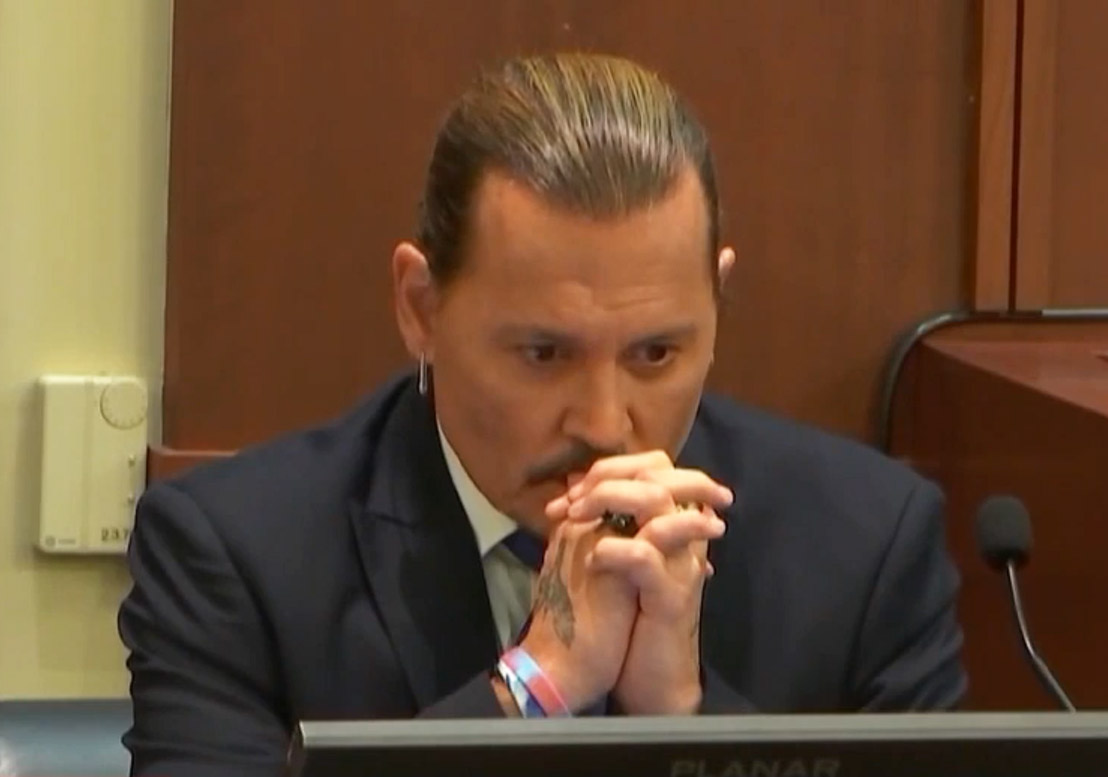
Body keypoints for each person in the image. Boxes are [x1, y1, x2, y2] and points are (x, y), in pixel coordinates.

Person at [118, 52, 966, 777]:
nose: (603, 424)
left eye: (655, 354)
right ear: (420, 306)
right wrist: (535, 686)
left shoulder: (866, 546)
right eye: (544, 353)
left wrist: (684, 719)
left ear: (718, 300)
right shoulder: (237, 556)